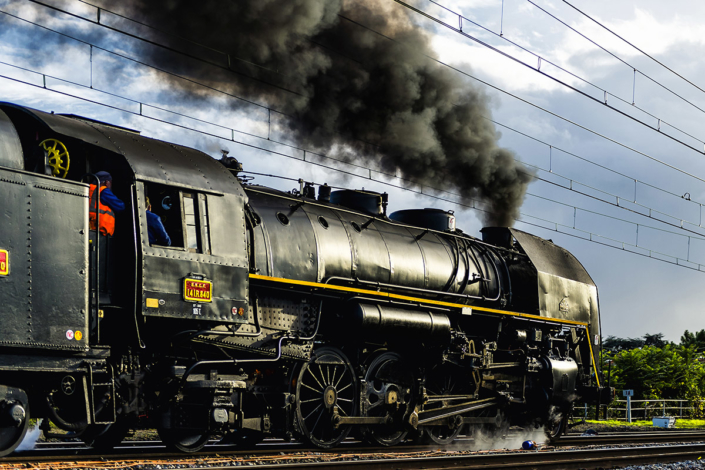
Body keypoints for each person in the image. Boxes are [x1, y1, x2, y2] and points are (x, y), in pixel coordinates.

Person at [89, 171, 125, 236]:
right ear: (106, 182)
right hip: (100, 232)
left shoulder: (89, 189)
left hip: (90, 228)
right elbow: (120, 206)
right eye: (111, 183)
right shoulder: (104, 191)